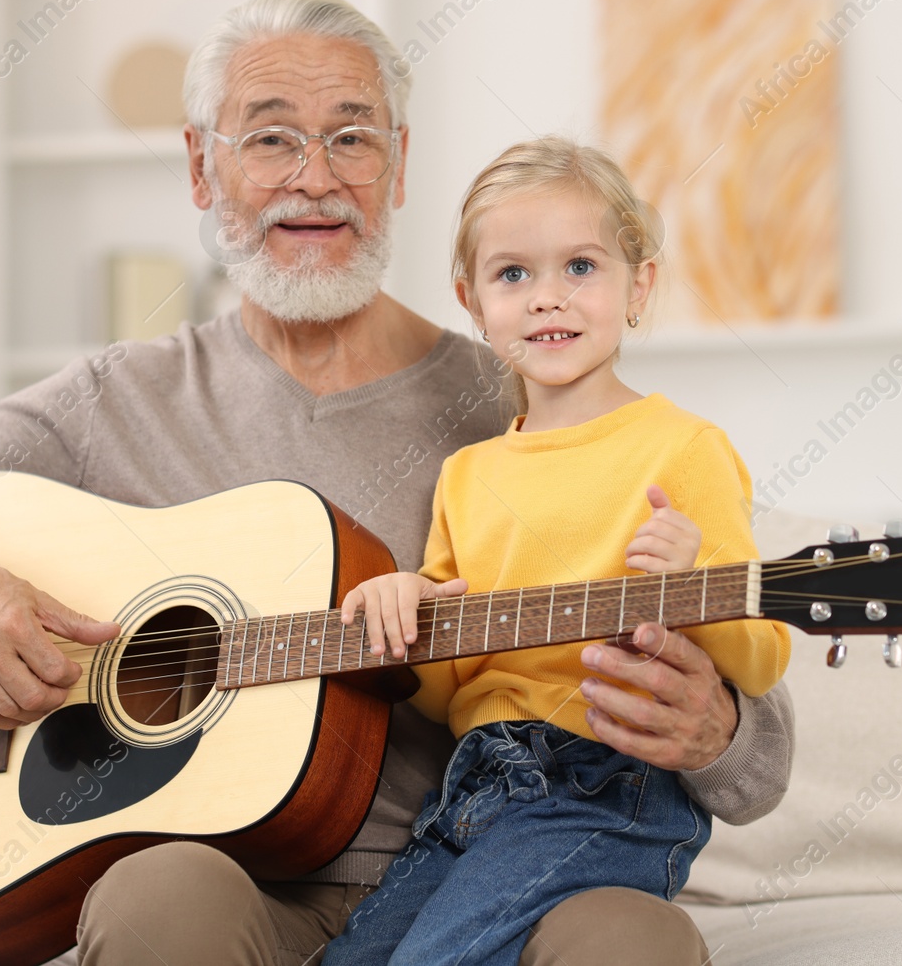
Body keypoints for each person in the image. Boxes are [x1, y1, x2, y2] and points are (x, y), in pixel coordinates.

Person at [0, 0, 795, 966]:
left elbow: (754, 728)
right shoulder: (117, 395)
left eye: (352, 136)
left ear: (396, 165)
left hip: (484, 861)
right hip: (237, 882)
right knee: (155, 894)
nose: (315, 175)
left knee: (634, 940)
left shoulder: (525, 396)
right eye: (269, 138)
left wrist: (715, 727)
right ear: (204, 171)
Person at [323, 138, 790, 965]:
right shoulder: (467, 473)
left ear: (637, 284)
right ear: (472, 300)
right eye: (513, 275)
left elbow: (759, 658)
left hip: (605, 785)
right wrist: (402, 608)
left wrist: (695, 591)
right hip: (472, 786)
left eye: (580, 266)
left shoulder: (682, 448)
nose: (547, 299)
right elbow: (444, 694)